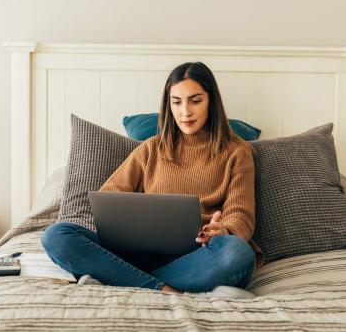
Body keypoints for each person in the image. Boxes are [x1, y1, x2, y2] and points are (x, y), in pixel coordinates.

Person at [41, 62, 264, 298]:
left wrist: (224, 230)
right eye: (177, 102)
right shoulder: (150, 149)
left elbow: (241, 214)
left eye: (195, 100)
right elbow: (110, 197)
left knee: (238, 254)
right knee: (56, 236)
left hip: (198, 255)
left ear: (212, 101)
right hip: (136, 252)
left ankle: (119, 278)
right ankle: (168, 290)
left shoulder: (237, 152)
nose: (185, 112)